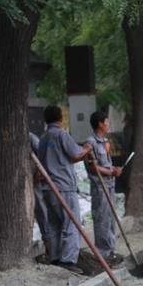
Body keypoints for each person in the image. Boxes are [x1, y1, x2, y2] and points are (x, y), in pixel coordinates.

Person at [38, 105, 92, 273]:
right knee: (72, 224)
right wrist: (87, 149)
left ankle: (55, 257)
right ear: (61, 118)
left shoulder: (43, 138)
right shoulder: (62, 135)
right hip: (64, 187)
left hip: (48, 188)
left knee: (54, 224)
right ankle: (68, 260)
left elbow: (65, 158)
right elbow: (75, 154)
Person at [85, 111, 123, 266]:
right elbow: (93, 167)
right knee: (102, 218)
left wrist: (114, 169)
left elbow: (106, 165)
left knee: (110, 218)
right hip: (100, 188)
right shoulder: (90, 143)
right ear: (100, 124)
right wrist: (110, 172)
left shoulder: (105, 141)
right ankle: (103, 254)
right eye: (107, 122)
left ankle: (110, 251)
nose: (108, 124)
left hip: (110, 185)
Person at [29, 132, 49, 253]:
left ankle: (48, 242)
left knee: (41, 210)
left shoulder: (29, 137)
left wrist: (39, 171)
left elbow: (44, 154)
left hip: (34, 181)